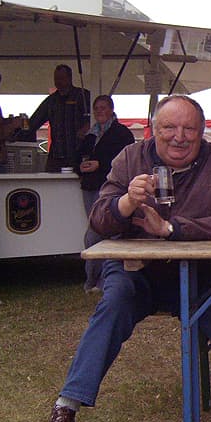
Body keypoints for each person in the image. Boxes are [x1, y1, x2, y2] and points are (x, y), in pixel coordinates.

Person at [28, 95, 211, 422]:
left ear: (201, 132)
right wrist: (126, 205)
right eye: (169, 128)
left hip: (201, 276)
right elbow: (99, 219)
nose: (179, 137)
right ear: (153, 129)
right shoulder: (130, 157)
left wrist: (171, 229)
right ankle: (63, 417)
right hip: (138, 274)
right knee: (113, 304)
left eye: (189, 129)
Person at [77, 95, 135, 293]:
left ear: (111, 109)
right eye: (97, 108)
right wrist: (81, 166)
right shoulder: (90, 135)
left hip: (111, 187)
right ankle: (96, 280)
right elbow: (79, 156)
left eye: (103, 108)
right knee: (96, 231)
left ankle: (98, 280)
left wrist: (100, 165)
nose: (100, 111)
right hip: (90, 186)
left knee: (101, 233)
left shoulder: (122, 133)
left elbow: (126, 160)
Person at [27, 64, 91, 172]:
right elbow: (34, 122)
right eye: (56, 79)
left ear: (70, 78)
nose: (58, 82)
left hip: (78, 154)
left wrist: (87, 127)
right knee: (50, 184)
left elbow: (97, 117)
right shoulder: (51, 101)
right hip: (56, 155)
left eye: (61, 78)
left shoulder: (83, 96)